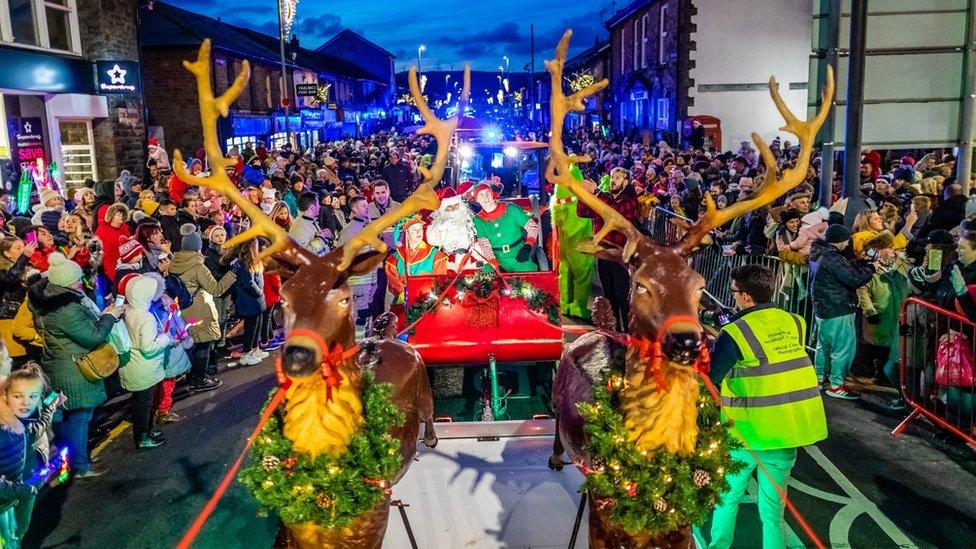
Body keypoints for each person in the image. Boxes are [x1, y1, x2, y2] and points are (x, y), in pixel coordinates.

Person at [708, 264, 827, 549]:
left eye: (734, 292)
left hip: (745, 434)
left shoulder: (735, 332)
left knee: (727, 498)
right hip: (786, 433)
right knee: (774, 512)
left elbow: (711, 377)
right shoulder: (796, 322)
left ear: (746, 297)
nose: (733, 297)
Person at [27, 253, 126, 477]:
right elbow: (92, 337)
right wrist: (109, 316)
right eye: (77, 280)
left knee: (70, 416)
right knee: (80, 417)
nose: (81, 282)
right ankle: (81, 466)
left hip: (60, 365)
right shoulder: (66, 309)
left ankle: (72, 459)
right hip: (74, 369)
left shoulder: (47, 299)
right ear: (66, 283)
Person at [809, 224, 876, 399]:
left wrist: (859, 263)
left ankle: (818, 378)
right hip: (838, 307)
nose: (847, 244)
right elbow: (854, 279)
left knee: (823, 346)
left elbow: (841, 270)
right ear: (840, 240)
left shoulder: (819, 253)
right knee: (842, 348)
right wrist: (871, 268)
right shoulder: (832, 258)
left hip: (823, 308)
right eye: (846, 240)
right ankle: (836, 385)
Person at [0, 365, 61, 543]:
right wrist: (23, 491)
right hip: (12, 494)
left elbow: (35, 430)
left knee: (17, 533)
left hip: (22, 486)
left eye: (33, 396)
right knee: (12, 535)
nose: (26, 402)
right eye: (18, 396)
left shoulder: (17, 420)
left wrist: (50, 407)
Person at [169, 225, 234, 392]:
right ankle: (201, 380)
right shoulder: (198, 266)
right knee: (203, 346)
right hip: (199, 310)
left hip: (183, 311)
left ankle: (192, 378)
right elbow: (216, 289)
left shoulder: (173, 264)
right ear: (197, 247)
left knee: (192, 345)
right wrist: (233, 274)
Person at [576, 168, 639, 330]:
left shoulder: (630, 200)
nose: (613, 180)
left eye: (618, 178)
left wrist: (596, 192)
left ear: (626, 182)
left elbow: (615, 211)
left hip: (620, 257)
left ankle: (630, 334)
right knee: (609, 297)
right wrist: (585, 195)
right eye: (612, 177)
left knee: (623, 297)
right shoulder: (605, 198)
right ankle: (615, 334)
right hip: (603, 256)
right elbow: (583, 212)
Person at [856, 231, 911, 410]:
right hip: (881, 313)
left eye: (891, 247)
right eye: (886, 248)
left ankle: (887, 376)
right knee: (877, 346)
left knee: (892, 348)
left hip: (898, 314)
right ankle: (878, 371)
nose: (891, 251)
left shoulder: (902, 265)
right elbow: (862, 290)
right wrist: (870, 310)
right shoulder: (870, 268)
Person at [120, 274, 170, 450]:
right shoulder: (145, 317)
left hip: (132, 365)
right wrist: (164, 339)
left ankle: (146, 431)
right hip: (144, 367)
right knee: (144, 404)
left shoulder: (127, 311)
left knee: (140, 403)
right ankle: (143, 437)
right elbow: (148, 347)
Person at [470, 180, 540, 272]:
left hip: (518, 254)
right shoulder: (478, 220)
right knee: (486, 282)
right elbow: (484, 244)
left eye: (487, 193)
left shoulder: (510, 208)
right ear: (477, 199)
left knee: (530, 280)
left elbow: (532, 226)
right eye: (481, 195)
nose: (485, 197)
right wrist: (495, 265)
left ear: (492, 194)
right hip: (496, 259)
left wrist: (528, 245)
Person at [384, 215, 447, 313]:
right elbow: (392, 282)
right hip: (402, 306)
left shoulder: (436, 256)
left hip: (428, 306)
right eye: (414, 230)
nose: (419, 232)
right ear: (407, 234)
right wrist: (403, 293)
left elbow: (440, 282)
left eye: (420, 229)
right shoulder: (395, 258)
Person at [0, 237, 39, 369]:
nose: (24, 250)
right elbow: (8, 279)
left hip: (27, 321)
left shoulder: (28, 268)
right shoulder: (2, 270)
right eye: (18, 248)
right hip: (9, 323)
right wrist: (24, 258)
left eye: (24, 246)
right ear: (6, 253)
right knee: (16, 364)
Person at [230, 240, 268, 366]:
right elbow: (249, 284)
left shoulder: (252, 261)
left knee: (257, 325)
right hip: (249, 300)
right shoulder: (244, 263)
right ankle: (246, 354)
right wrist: (260, 293)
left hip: (256, 301)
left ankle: (254, 349)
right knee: (250, 328)